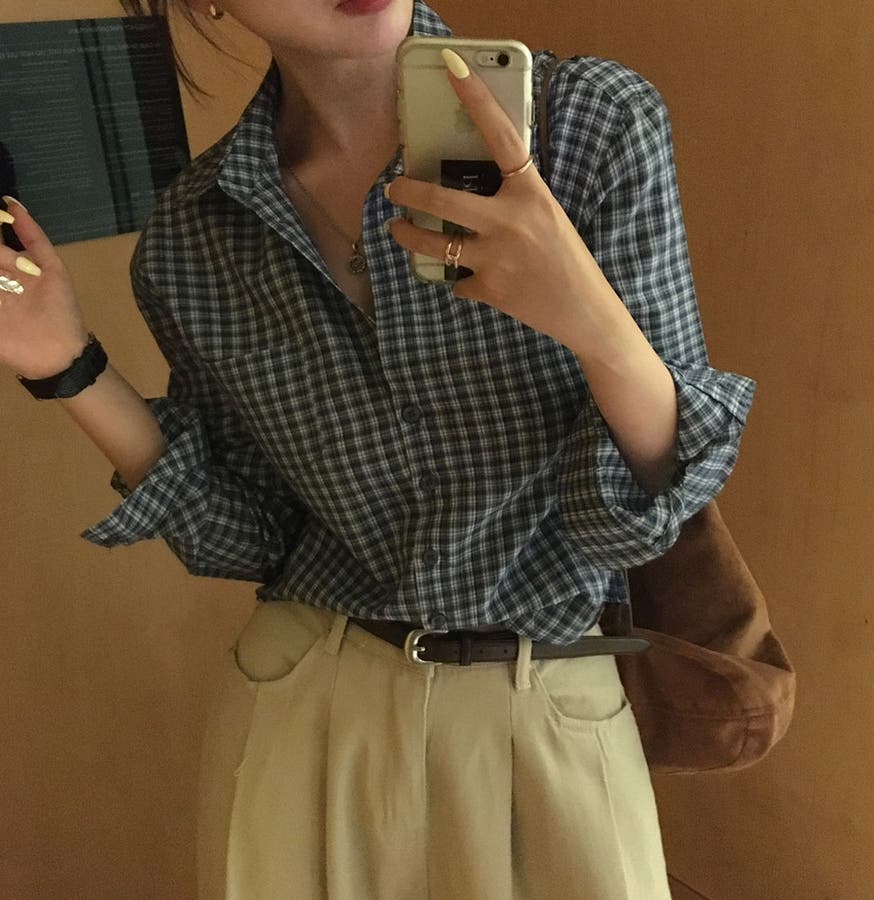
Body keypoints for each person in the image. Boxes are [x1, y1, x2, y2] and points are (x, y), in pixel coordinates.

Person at [0, 1, 757, 897]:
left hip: (547, 699)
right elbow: (255, 535)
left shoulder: (589, 124)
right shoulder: (194, 236)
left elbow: (638, 519)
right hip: (311, 708)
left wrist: (593, 322)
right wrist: (69, 367)